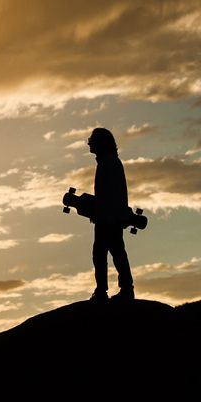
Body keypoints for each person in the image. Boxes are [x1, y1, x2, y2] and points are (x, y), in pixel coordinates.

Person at [87, 127, 134, 302]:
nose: (90, 144)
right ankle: (121, 289)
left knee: (106, 253)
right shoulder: (108, 161)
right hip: (108, 217)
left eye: (93, 140)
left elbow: (111, 194)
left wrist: (105, 214)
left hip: (108, 218)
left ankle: (109, 291)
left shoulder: (109, 163)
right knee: (113, 252)